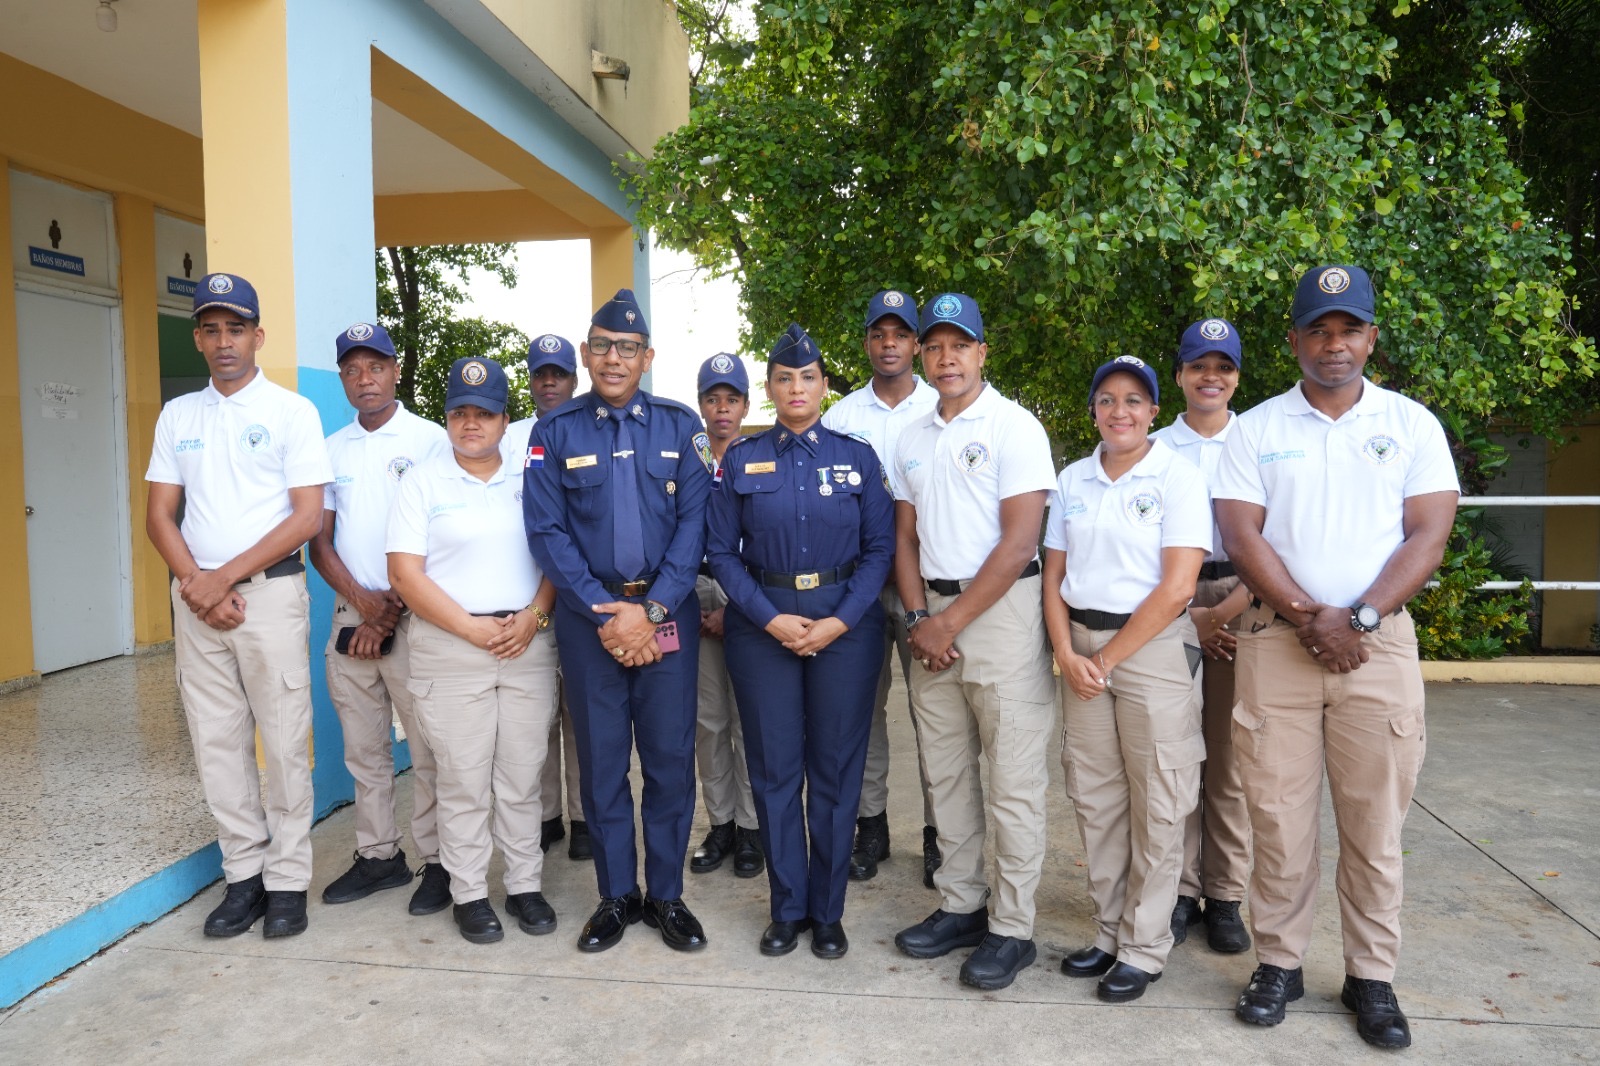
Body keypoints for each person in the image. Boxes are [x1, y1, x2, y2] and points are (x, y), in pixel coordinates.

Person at [1214, 265, 1458, 1049]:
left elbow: (1428, 531)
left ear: (1371, 339)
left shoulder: (1411, 424)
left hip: (1376, 649)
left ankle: (1370, 977)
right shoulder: (1256, 429)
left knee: (1373, 823)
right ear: (1294, 341)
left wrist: (1359, 615)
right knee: (1278, 820)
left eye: (1349, 329)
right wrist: (1308, 616)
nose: (1334, 343)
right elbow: (1241, 534)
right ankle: (1279, 964)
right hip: (1276, 646)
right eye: (1318, 329)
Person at [523, 288, 713, 953]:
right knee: (601, 764)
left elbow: (695, 526)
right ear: (585, 353)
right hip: (589, 619)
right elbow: (546, 531)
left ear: (647, 356)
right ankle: (615, 896)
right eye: (601, 345)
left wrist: (652, 610)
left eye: (626, 348)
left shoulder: (678, 424)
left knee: (667, 758)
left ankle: (666, 895)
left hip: (667, 616)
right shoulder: (554, 431)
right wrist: (609, 614)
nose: (613, 358)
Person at [144, 273, 332, 939]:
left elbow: (307, 517)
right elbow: (159, 515)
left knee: (282, 744)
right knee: (217, 745)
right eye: (211, 329)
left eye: (236, 328)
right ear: (197, 338)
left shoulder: (291, 413)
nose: (224, 342)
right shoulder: (179, 416)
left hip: (269, 598)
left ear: (258, 336)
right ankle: (243, 878)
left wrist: (220, 578)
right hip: (198, 606)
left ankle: (287, 882)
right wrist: (198, 583)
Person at [888, 293, 1058, 991]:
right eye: (935, 347)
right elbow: (904, 537)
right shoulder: (912, 436)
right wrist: (919, 615)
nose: (946, 357)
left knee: (1013, 781)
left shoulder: (1015, 427)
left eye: (961, 345)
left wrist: (946, 625)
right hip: (931, 617)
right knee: (947, 773)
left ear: (983, 352)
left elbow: (1021, 542)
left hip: (1000, 617)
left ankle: (1012, 928)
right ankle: (962, 903)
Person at [708, 325, 894, 958]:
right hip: (764, 632)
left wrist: (840, 621)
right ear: (770, 388)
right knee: (775, 770)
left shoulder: (857, 456)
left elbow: (879, 550)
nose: (795, 388)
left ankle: (829, 910)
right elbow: (721, 555)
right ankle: (787, 908)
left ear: (821, 386)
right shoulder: (740, 459)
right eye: (784, 379)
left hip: (846, 629)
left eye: (807, 377)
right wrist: (769, 619)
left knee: (837, 773)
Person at [1043, 355, 1211, 1004]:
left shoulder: (1178, 477)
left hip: (1148, 651)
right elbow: (1053, 577)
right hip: (1081, 648)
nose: (1120, 412)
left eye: (1134, 401)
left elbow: (1178, 587)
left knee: (1160, 803)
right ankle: (1109, 934)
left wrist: (1106, 661)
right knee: (1097, 799)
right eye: (1108, 400)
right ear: (1093, 410)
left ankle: (1144, 948)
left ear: (1154, 412)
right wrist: (1065, 650)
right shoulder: (1073, 480)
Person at [387, 356, 561, 945]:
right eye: (459, 412)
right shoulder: (422, 482)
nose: (471, 424)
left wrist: (536, 615)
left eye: (483, 413)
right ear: (446, 419)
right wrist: (470, 628)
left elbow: (557, 555)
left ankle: (524, 886)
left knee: (520, 774)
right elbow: (406, 575)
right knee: (461, 778)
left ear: (505, 419)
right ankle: (468, 893)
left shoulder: (531, 476)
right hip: (450, 646)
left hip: (525, 643)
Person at [310, 322, 450, 916]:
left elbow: (440, 539)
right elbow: (320, 542)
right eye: (351, 369)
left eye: (375, 367)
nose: (364, 379)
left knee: (428, 746)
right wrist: (363, 604)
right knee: (364, 749)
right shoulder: (331, 448)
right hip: (353, 612)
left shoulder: (430, 441)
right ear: (342, 377)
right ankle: (378, 856)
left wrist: (388, 610)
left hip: (416, 617)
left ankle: (441, 862)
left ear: (396, 371)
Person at [821, 289, 942, 886]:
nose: (889, 343)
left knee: (936, 714)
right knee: (861, 714)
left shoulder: (944, 406)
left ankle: (941, 830)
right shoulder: (842, 416)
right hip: (863, 588)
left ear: (916, 345)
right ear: (867, 342)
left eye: (900, 334)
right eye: (879, 333)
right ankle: (871, 825)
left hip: (928, 584)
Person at [1151, 319, 1255, 955]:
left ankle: (1226, 893)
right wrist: (1190, 614)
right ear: (1182, 374)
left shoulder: (1258, 439)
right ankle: (1182, 891)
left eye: (1222, 366)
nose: (1210, 377)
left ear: (1236, 376)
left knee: (1231, 757)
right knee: (1178, 750)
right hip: (1174, 605)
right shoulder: (1156, 446)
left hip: (1246, 601)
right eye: (1198, 366)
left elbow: (1278, 538)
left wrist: (1231, 609)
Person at [501, 334, 590, 862]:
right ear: (530, 379)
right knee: (534, 722)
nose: (550, 382)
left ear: (573, 377)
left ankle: (584, 817)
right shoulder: (508, 438)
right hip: (522, 598)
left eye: (559, 373)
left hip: (576, 592)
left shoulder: (588, 426)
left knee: (580, 715)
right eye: (541, 374)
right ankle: (544, 816)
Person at [688, 354, 764, 880]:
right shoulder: (685, 457)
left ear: (745, 404)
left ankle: (754, 829)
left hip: (751, 596)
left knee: (750, 720)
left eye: (730, 399)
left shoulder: (760, 456)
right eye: (712, 399)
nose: (721, 408)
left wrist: (737, 606)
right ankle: (721, 824)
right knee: (709, 721)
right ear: (701, 405)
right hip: (692, 591)